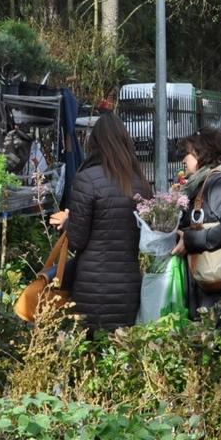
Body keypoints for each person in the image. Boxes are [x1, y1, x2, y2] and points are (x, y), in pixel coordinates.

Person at [54, 112, 152, 330]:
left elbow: (77, 239)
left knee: (90, 351)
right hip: (128, 283)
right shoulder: (140, 183)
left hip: (91, 286)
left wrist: (68, 221)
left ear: (94, 143)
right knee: (121, 349)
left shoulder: (87, 179)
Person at [172, 128, 221, 316]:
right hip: (212, 287)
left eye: (188, 153)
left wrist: (191, 239)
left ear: (203, 153)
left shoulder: (219, 183)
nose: (184, 159)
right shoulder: (203, 183)